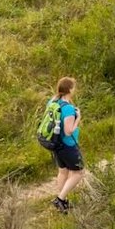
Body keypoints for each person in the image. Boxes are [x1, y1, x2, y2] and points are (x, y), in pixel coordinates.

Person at [40, 77, 83, 212]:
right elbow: (69, 131)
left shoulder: (52, 102)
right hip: (67, 145)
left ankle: (62, 201)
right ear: (69, 90)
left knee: (63, 171)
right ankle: (60, 199)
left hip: (56, 143)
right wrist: (78, 118)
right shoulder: (68, 109)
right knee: (78, 173)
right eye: (73, 87)